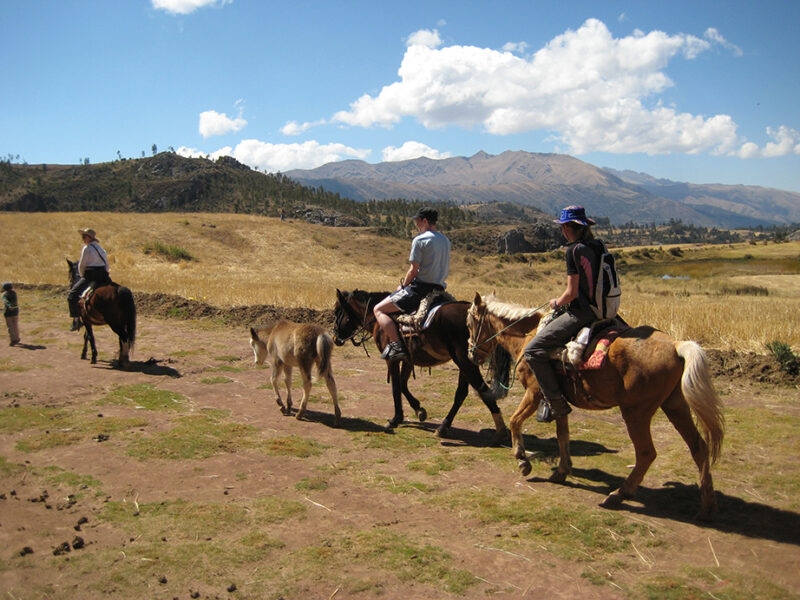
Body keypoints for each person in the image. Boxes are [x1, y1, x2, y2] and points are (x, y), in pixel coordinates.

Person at [524, 205, 606, 422]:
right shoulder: (597, 245)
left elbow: (571, 293)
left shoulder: (574, 250)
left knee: (533, 350)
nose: (561, 231)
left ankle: (556, 404)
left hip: (582, 313)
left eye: (563, 226)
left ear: (569, 228)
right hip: (604, 309)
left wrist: (556, 303)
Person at [373, 207, 451, 362]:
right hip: (440, 288)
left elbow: (413, 270)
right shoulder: (445, 241)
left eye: (418, 221)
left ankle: (397, 345)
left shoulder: (420, 240)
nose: (416, 224)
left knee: (378, 309)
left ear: (425, 221)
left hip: (420, 289)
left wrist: (403, 286)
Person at [67, 228, 110, 331]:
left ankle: (76, 321)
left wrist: (83, 276)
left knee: (72, 296)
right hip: (104, 275)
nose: (83, 239)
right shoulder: (101, 248)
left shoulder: (87, 249)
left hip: (91, 276)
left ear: (90, 238)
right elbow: (107, 265)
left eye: (84, 236)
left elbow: (82, 265)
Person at [2, 281, 20, 346]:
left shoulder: (4, 294)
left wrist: (9, 306)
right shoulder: (14, 293)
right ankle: (17, 338)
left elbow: (6, 301)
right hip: (15, 311)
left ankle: (13, 340)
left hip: (8, 313)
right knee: (15, 325)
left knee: (10, 326)